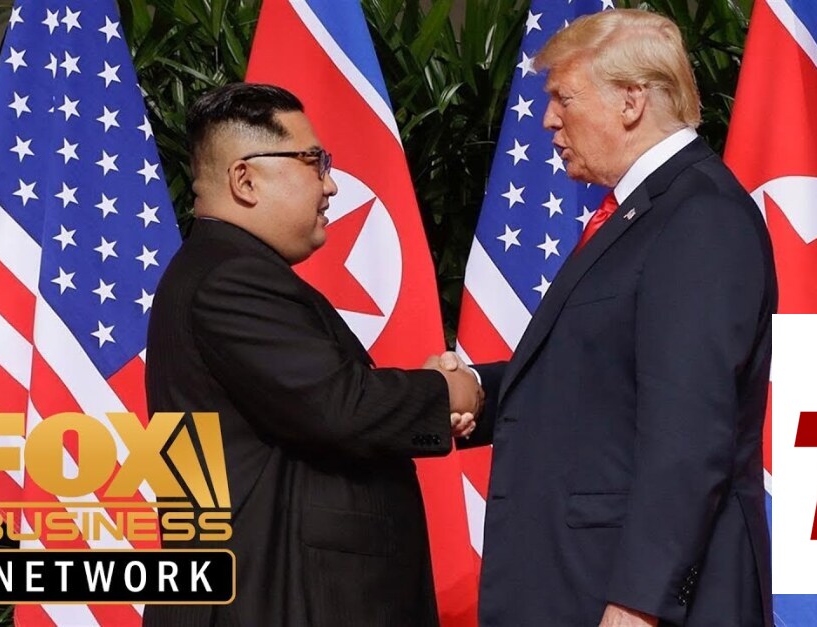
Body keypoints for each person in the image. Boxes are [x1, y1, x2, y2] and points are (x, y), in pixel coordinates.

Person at [437, 9, 776, 627]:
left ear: (631, 100)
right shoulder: (643, 211)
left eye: (564, 98)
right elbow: (599, 373)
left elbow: (689, 430)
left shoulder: (699, 216)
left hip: (632, 598)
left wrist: (640, 601)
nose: (548, 119)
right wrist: (478, 389)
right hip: (580, 581)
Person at [143, 83, 480, 627]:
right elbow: (341, 408)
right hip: (267, 603)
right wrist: (448, 392)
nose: (330, 184)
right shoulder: (231, 278)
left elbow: (325, 403)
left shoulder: (222, 268)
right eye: (313, 161)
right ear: (245, 179)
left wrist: (457, 396)